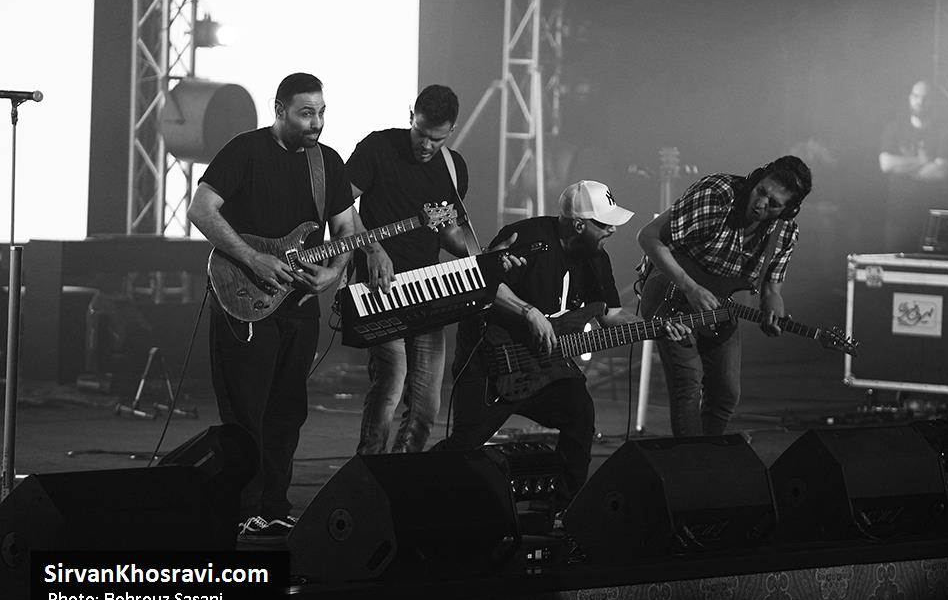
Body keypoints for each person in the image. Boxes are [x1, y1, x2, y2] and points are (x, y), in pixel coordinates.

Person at [433, 180, 689, 513]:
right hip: (493, 362)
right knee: (464, 447)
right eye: (604, 224)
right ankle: (416, 490)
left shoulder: (597, 259)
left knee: (580, 415)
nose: (612, 230)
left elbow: (611, 316)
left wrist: (656, 328)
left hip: (548, 368)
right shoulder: (526, 238)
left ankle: (561, 511)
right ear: (579, 224)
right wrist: (528, 312)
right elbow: (483, 282)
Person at [188, 72, 356, 538]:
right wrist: (252, 257)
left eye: (321, 112)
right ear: (279, 109)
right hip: (243, 296)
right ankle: (242, 509)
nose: (316, 122)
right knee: (247, 412)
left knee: (288, 409)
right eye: (306, 113)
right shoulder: (245, 151)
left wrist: (334, 272)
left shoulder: (327, 162)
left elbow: (346, 229)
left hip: (298, 305)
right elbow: (201, 209)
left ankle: (274, 506)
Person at [637, 156, 812, 437]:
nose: (760, 204)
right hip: (670, 288)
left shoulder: (785, 233)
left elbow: (771, 291)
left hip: (717, 304)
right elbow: (648, 236)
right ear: (756, 179)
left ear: (789, 210)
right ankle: (692, 459)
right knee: (688, 385)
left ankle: (710, 455)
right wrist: (690, 288)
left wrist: (774, 311)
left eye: (774, 203)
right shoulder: (716, 195)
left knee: (727, 392)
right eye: (761, 191)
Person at [348, 85, 475, 455]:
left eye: (437, 139)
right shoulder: (377, 148)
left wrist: (482, 254)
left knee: (427, 404)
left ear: (451, 130)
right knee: (391, 383)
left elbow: (448, 232)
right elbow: (340, 205)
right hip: (380, 288)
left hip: (426, 290)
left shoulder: (453, 168)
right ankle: (368, 467)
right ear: (410, 117)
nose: (426, 145)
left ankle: (402, 473)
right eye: (420, 133)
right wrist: (373, 249)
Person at [878, 79, 948, 252]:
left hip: (932, 218)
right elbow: (886, 164)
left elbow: (941, 171)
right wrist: (923, 161)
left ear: (933, 101)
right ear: (909, 97)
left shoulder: (943, 132)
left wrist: (902, 168)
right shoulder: (894, 128)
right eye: (916, 96)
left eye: (925, 97)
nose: (920, 101)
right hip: (899, 216)